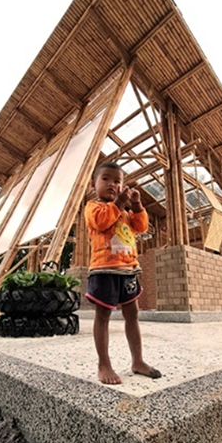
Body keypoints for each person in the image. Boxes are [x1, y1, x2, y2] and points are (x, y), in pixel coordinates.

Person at [85, 161, 162, 385]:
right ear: (94, 184)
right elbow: (101, 222)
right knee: (103, 316)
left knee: (133, 315)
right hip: (103, 269)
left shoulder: (125, 213)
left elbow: (141, 227)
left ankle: (137, 361)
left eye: (117, 181)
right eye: (106, 179)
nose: (112, 184)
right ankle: (104, 364)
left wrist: (137, 205)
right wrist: (119, 201)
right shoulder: (93, 207)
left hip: (128, 270)